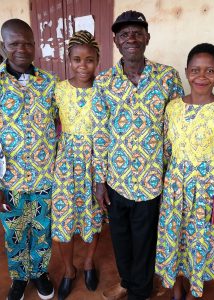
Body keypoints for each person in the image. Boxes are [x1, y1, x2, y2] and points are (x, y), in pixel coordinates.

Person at [92, 10, 184, 300]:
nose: (131, 38)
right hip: (116, 180)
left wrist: (172, 173)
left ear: (147, 38)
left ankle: (140, 292)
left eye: (137, 32)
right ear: (116, 41)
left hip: (152, 179)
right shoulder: (104, 82)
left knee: (145, 240)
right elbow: (100, 133)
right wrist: (99, 179)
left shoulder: (168, 77)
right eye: (124, 34)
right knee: (120, 239)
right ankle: (128, 281)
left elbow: (175, 127)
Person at [155, 43, 214, 300]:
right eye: (195, 70)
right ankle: (177, 288)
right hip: (175, 189)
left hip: (208, 192)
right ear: (186, 71)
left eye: (210, 70)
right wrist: (163, 186)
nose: (202, 76)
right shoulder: (173, 108)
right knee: (176, 238)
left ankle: (194, 291)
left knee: (199, 243)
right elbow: (166, 150)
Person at [0, 19, 57, 300]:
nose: (22, 48)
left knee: (42, 229)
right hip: (9, 178)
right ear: (3, 46)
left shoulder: (49, 83)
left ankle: (40, 272)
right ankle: (19, 277)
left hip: (45, 175)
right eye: (14, 43)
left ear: (35, 46)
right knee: (15, 231)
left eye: (28, 42)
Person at [51, 30, 105, 300]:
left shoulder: (104, 90)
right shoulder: (58, 90)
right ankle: (69, 269)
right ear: (67, 60)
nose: (82, 66)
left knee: (92, 218)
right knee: (64, 219)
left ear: (98, 60)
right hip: (66, 163)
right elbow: (48, 125)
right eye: (76, 60)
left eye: (89, 60)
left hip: (95, 162)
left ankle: (88, 262)